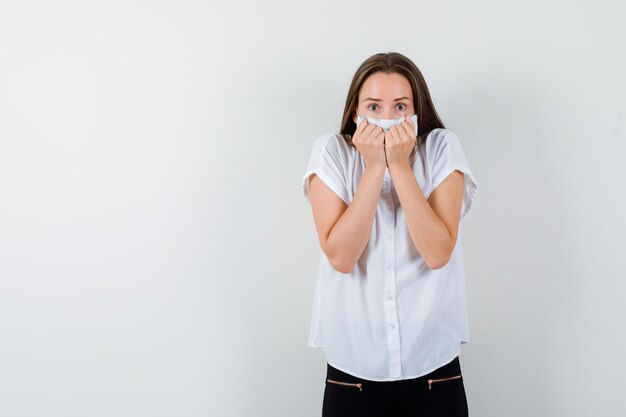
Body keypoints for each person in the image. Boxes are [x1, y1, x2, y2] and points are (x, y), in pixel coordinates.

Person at [301, 52, 479, 417]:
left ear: (417, 111)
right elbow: (341, 257)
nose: (387, 119)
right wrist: (374, 168)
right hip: (353, 371)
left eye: (400, 106)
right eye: (374, 107)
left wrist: (398, 165)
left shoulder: (441, 148)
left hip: (434, 367)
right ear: (355, 112)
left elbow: (437, 252)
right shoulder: (331, 153)